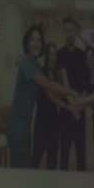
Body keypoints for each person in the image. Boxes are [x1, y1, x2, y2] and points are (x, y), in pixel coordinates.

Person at [5, 26, 80, 169]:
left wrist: (68, 106)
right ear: (28, 43)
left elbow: (50, 94)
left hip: (25, 128)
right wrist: (72, 93)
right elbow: (49, 84)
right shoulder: (26, 64)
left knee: (20, 170)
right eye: (33, 39)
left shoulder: (37, 67)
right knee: (25, 171)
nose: (36, 43)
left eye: (39, 40)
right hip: (16, 127)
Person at [56, 18, 89, 171]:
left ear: (76, 32)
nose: (70, 33)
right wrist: (72, 107)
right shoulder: (60, 54)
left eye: (72, 30)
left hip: (80, 111)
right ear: (64, 32)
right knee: (64, 155)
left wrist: (79, 105)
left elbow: (85, 83)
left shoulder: (82, 54)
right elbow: (64, 81)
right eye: (67, 30)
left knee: (81, 155)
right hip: (66, 111)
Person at [30, 42, 65, 170]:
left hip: (54, 123)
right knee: (36, 160)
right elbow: (51, 94)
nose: (52, 57)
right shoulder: (40, 72)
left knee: (52, 162)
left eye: (55, 54)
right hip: (41, 123)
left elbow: (60, 96)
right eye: (50, 54)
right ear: (46, 56)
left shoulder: (58, 75)